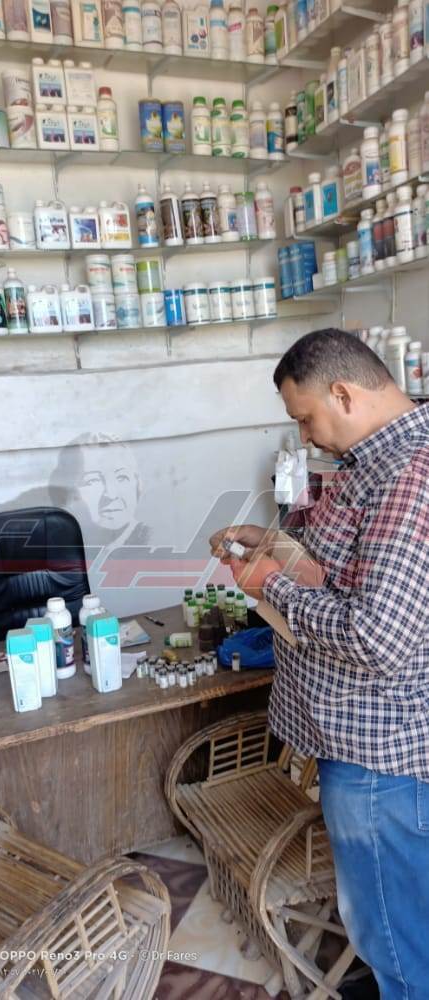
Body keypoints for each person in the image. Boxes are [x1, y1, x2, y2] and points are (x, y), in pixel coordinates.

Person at [210, 328, 429, 999]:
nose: (305, 436)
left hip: (379, 757)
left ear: (343, 393)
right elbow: (342, 572)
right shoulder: (369, 464)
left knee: (392, 934)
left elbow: (376, 637)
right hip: (360, 747)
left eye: (305, 418)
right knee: (393, 920)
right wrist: (274, 544)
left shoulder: (407, 476)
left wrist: (269, 585)